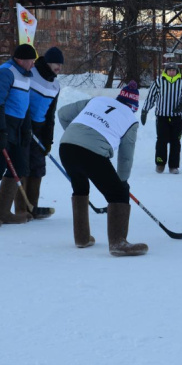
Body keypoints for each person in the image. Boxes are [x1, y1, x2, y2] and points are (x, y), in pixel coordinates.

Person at [57, 81, 148, 256]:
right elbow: (125, 156)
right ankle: (118, 243)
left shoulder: (97, 101)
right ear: (134, 107)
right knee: (118, 194)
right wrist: (122, 182)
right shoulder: (130, 119)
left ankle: (81, 238)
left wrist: (76, 136)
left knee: (80, 187)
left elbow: (62, 113)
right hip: (91, 152)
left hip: (66, 147)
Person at [0, 43, 37, 225]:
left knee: (19, 166)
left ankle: (3, 212)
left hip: (17, 125)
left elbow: (25, 104)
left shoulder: (26, 75)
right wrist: (1, 130)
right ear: (20, 60)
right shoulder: (6, 72)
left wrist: (27, 128)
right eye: (31, 61)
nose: (33, 64)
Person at [22, 47, 65, 219]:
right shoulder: (31, 73)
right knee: (23, 166)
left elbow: (50, 114)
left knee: (38, 168)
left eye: (61, 64)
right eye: (56, 63)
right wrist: (24, 123)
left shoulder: (56, 85)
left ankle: (33, 207)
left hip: (39, 128)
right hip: (24, 125)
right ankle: (21, 209)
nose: (59, 68)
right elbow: (20, 98)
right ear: (47, 62)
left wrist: (48, 140)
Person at [140, 61, 182, 174]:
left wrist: (181, 106)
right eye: (170, 70)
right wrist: (144, 111)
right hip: (162, 117)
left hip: (176, 118)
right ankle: (160, 163)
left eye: (174, 70)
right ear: (166, 71)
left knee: (175, 141)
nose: (172, 72)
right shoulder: (159, 82)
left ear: (177, 71)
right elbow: (151, 97)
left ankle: (173, 166)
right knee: (161, 141)